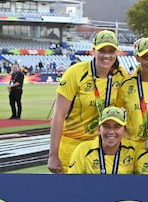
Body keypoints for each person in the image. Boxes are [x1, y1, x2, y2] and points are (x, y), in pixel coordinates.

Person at [48, 30, 126, 174]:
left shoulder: (120, 75)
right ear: (93, 50)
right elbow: (58, 115)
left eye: (111, 51)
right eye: (102, 50)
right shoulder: (75, 73)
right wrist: (53, 155)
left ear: (117, 52)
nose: (107, 55)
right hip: (70, 144)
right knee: (70, 193)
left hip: (100, 147)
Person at [67, 107, 138, 174]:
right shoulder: (83, 150)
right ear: (99, 129)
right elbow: (72, 182)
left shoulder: (134, 150)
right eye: (106, 126)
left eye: (117, 127)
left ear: (125, 130)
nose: (111, 132)